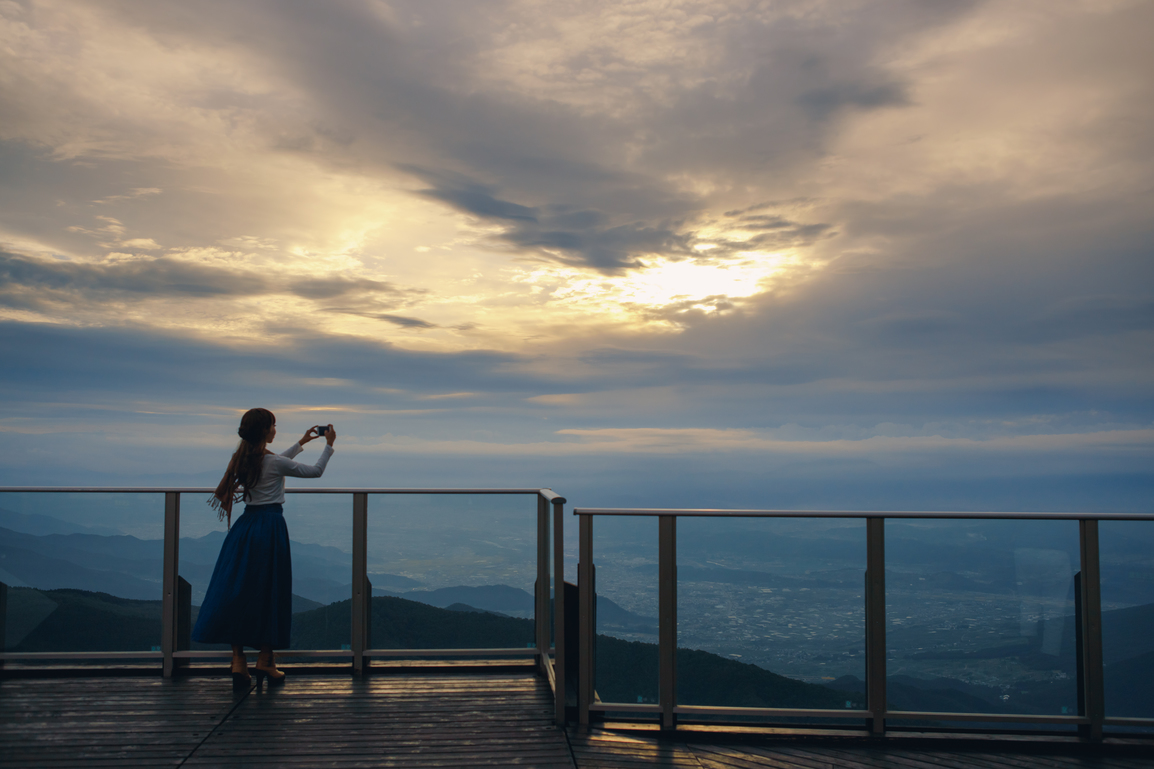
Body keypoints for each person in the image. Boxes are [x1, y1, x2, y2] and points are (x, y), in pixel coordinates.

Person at [193, 407, 336, 689]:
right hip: (270, 527)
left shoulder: (243, 459)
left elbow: (275, 461)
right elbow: (315, 472)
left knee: (238, 590)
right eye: (273, 425)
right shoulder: (271, 463)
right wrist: (329, 445)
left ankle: (238, 662)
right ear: (264, 431)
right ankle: (266, 661)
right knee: (270, 590)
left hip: (245, 528)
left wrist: (302, 442)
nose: (275, 429)